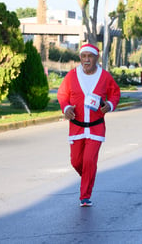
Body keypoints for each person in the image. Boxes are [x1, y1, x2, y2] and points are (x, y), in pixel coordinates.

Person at [57, 43, 120, 207]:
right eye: (83, 56)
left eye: (89, 56)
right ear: (80, 58)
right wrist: (66, 107)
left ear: (96, 58)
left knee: (89, 161)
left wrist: (110, 105)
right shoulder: (71, 76)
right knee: (76, 161)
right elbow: (62, 94)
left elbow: (115, 93)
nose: (86, 60)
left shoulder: (105, 76)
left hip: (96, 126)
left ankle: (85, 195)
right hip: (76, 126)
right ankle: (88, 176)